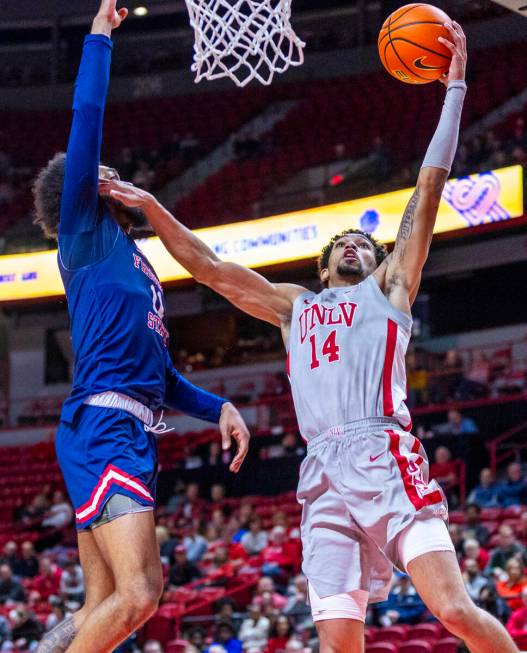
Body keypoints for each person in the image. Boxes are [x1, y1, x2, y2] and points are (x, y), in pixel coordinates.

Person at [98, 23, 518, 653]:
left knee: (453, 608)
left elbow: (428, 189)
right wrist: (154, 208)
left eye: (366, 244)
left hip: (382, 451)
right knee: (336, 642)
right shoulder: (296, 307)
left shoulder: (390, 287)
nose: (357, 244)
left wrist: (454, 89)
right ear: (322, 269)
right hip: (320, 468)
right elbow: (212, 270)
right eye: (344, 244)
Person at [31, 2, 250, 652]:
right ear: (81, 187)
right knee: (140, 593)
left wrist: (220, 408)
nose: (106, 169)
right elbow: (87, 121)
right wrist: (99, 38)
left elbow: (160, 376)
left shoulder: (135, 258)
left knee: (105, 604)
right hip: (103, 424)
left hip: (120, 421)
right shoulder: (84, 232)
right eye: (94, 171)